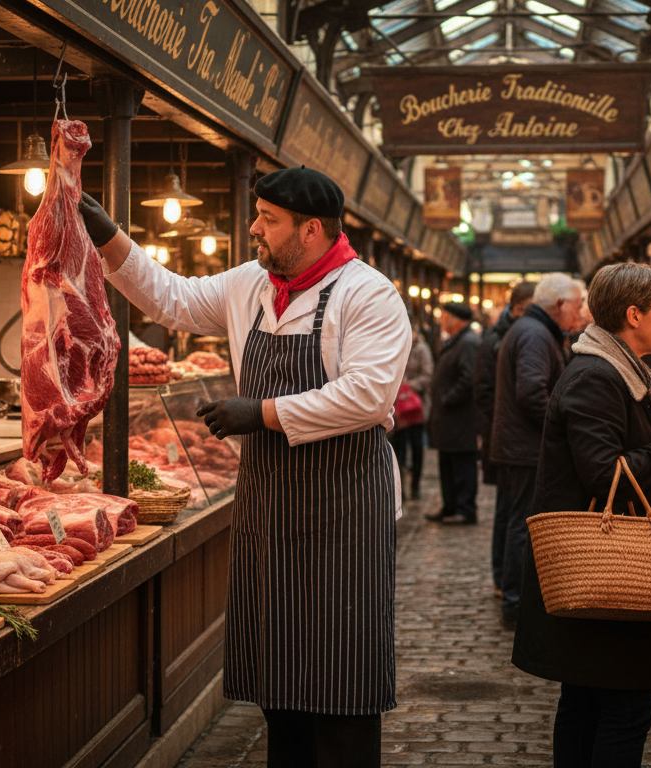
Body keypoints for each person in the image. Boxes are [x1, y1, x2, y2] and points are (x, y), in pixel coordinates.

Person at [79, 166, 410, 768]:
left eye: (268, 219)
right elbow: (170, 298)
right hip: (271, 513)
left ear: (311, 229)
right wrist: (106, 233)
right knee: (279, 684)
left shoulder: (369, 294)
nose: (253, 229)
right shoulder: (251, 284)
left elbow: (369, 395)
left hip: (345, 516)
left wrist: (261, 412)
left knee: (343, 682)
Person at [511, 262, 651, 767]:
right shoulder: (596, 377)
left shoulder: (618, 372)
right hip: (601, 567)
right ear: (632, 313)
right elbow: (604, 473)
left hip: (604, 568)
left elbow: (616, 452)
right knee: (625, 708)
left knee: (585, 701)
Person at [489, 273, 587, 626]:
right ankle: (515, 603)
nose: (579, 313)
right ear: (559, 304)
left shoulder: (535, 330)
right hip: (526, 448)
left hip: (520, 445)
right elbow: (531, 394)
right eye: (577, 305)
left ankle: (514, 594)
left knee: (518, 521)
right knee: (523, 525)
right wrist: (563, 430)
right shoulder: (534, 334)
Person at [475, 282, 534, 594]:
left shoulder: (508, 335)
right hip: (507, 438)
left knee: (508, 509)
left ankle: (503, 578)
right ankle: (503, 579)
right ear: (516, 309)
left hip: (506, 437)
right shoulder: (499, 339)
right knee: (508, 511)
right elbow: (484, 391)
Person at [425, 302, 482, 525]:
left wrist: (447, 399)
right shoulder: (456, 341)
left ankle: (465, 508)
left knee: (462, 466)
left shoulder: (468, 343)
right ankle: (450, 506)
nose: (441, 321)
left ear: (456, 319)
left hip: (460, 419)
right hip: (448, 420)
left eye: (445, 316)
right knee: (448, 464)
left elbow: (468, 379)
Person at [391, 323, 433, 500]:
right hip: (397, 409)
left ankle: (415, 485)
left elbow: (428, 375)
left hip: (415, 407)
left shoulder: (421, 349)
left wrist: (408, 387)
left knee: (417, 448)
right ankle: (401, 489)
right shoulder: (393, 344)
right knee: (398, 448)